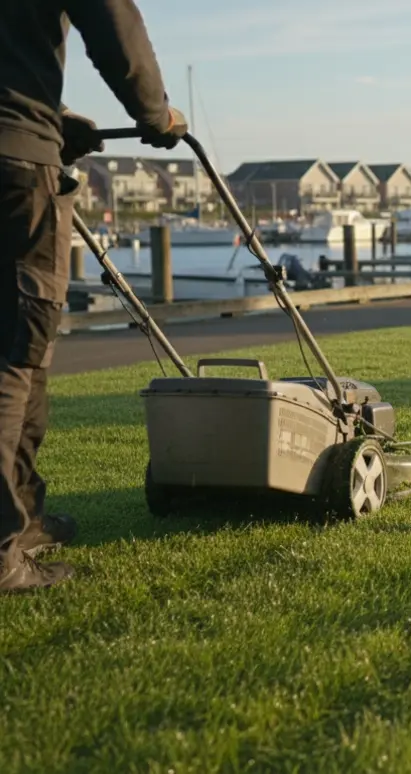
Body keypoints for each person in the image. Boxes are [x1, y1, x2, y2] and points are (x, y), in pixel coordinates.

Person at [1, 0, 187, 592]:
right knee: (13, 347)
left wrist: (53, 120)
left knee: (21, 343)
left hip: (26, 134)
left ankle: (25, 517)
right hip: (14, 164)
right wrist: (155, 115)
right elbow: (111, 19)